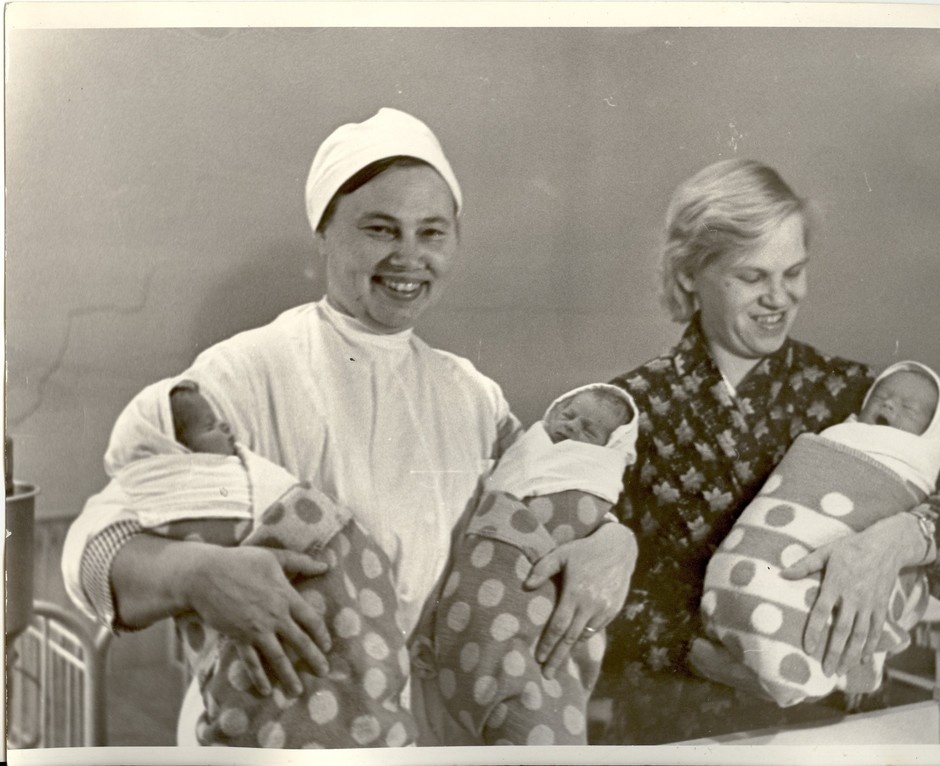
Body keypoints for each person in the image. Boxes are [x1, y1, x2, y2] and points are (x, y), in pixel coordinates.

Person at [61, 107, 638, 746]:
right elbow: (91, 548)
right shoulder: (244, 374)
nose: (409, 258)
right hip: (285, 733)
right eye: (380, 230)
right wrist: (196, 575)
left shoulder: (470, 395)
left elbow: (537, 512)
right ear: (325, 235)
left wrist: (613, 545)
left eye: (432, 233)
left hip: (439, 735)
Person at [593, 158, 940, 744]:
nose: (779, 298)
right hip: (679, 729)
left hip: (835, 728)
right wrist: (701, 655)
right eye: (753, 277)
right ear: (689, 276)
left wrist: (895, 541)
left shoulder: (853, 396)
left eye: (794, 272)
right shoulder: (629, 410)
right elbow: (588, 596)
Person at [97, 378, 414, 747]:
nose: (228, 428)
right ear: (176, 455)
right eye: (211, 427)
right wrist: (196, 572)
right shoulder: (186, 491)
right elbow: (92, 548)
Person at [694, 361, 940, 708]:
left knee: (843, 606)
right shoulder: (837, 435)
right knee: (761, 574)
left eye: (909, 408)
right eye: (884, 396)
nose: (890, 405)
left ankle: (797, 659)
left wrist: (906, 532)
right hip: (767, 553)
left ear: (932, 431)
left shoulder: (917, 463)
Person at [426, 383, 638, 745]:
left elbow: (587, 509)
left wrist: (616, 537)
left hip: (530, 612)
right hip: (454, 632)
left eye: (588, 430)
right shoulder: (526, 446)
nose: (571, 428)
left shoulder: (590, 470)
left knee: (542, 691)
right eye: (567, 415)